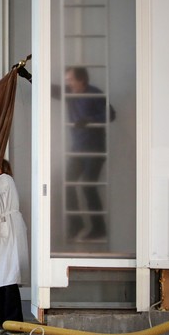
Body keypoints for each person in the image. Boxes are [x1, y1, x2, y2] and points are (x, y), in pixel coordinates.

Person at [61, 67, 116, 242]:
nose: (68, 83)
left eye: (70, 80)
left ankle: (98, 228)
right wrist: (28, 76)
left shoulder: (94, 93)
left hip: (94, 148)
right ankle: (76, 224)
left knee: (87, 185)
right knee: (67, 183)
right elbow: (50, 89)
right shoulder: (69, 93)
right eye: (66, 80)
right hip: (78, 148)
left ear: (82, 80)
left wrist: (90, 120)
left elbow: (111, 114)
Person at [0, 159, 29, 328]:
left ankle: (13, 318)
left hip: (8, 227)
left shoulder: (4, 179)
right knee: (1, 273)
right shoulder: (0, 181)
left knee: (8, 272)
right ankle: (2, 316)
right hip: (3, 227)